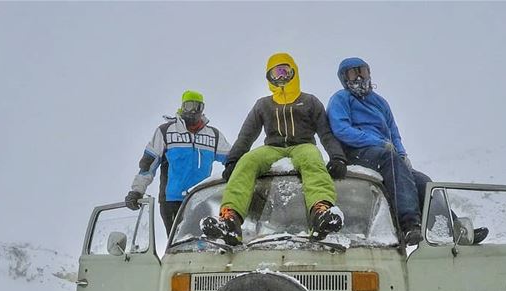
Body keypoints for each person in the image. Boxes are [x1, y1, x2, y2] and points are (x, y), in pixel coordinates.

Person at [327, 57, 488, 246]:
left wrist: (402, 154)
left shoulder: (380, 103)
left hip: (387, 153)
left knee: (423, 181)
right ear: (344, 78)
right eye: (354, 73)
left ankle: (453, 229)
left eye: (363, 71)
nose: (360, 77)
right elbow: (342, 130)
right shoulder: (341, 99)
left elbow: (393, 132)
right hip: (357, 152)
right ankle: (410, 223)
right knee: (391, 161)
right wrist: (379, 142)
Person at [201, 53, 348, 246]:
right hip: (273, 148)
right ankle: (230, 219)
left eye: (284, 71)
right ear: (269, 78)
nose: (281, 77)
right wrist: (233, 161)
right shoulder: (264, 104)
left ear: (293, 72)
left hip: (302, 145)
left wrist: (338, 157)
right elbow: (246, 135)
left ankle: (320, 211)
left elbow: (326, 133)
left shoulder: (310, 101)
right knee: (248, 161)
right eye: (275, 74)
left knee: (312, 158)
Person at [126, 90, 231, 235]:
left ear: (203, 109)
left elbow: (232, 159)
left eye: (197, 107)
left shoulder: (213, 135)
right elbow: (148, 164)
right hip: (172, 200)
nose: (193, 110)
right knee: (179, 241)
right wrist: (137, 191)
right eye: (189, 106)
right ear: (182, 107)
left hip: (200, 198)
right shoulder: (166, 132)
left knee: (204, 240)